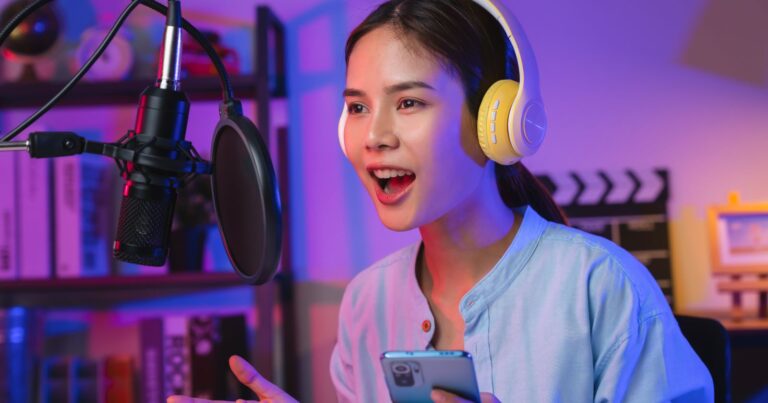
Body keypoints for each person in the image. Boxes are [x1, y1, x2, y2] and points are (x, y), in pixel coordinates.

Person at [170, 0, 714, 402]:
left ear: (493, 120)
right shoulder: (367, 301)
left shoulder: (601, 286)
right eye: (357, 108)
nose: (373, 137)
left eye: (408, 102)